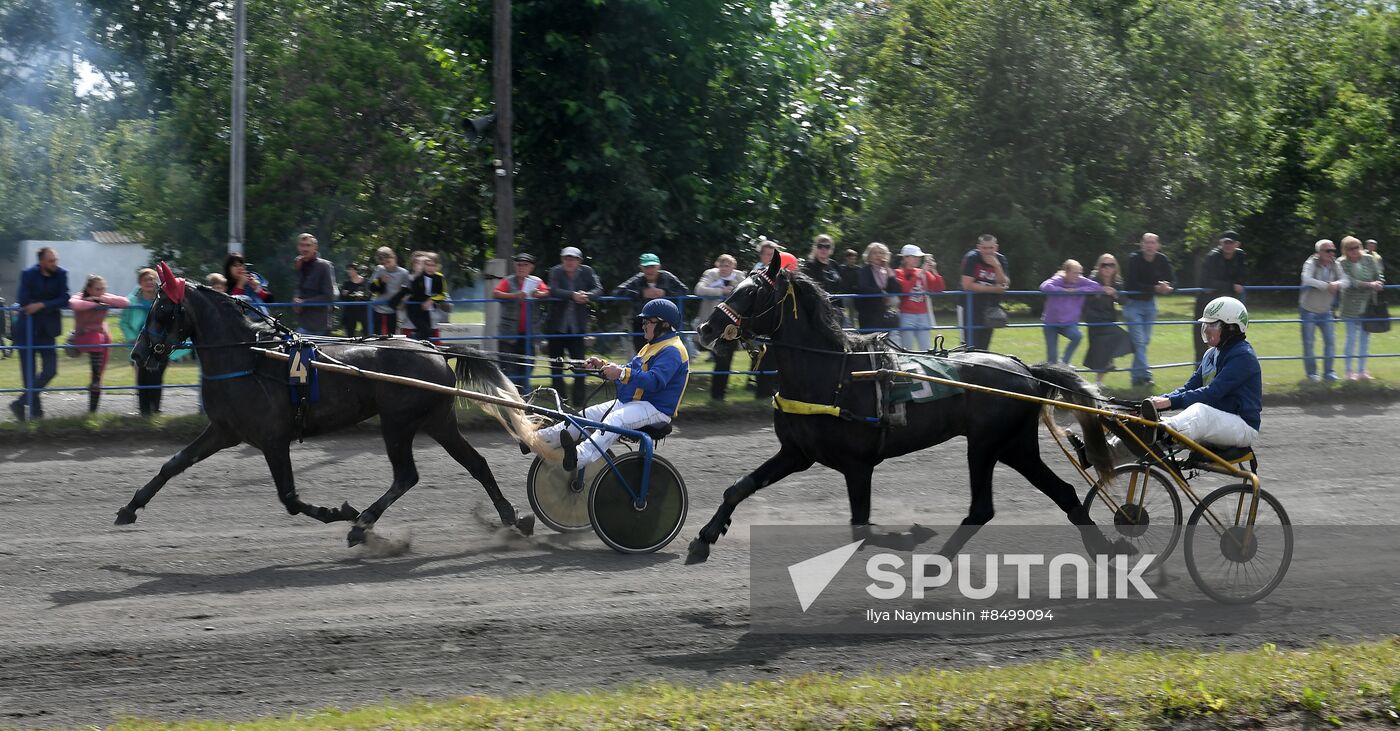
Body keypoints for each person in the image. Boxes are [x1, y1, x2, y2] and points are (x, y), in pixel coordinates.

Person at [537, 298, 690, 475]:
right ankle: (537, 440)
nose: (643, 325)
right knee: (584, 416)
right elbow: (629, 371)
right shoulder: (652, 346)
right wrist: (602, 365)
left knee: (614, 420)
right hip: (635, 403)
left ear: (664, 325)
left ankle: (578, 457)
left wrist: (620, 373)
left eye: (648, 322)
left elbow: (654, 381)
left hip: (656, 409)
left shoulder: (672, 350)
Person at [1140, 296, 1260, 450]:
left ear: (1231, 327)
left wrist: (1169, 403)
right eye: (1206, 324)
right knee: (1197, 414)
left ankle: (1161, 431)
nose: (1207, 329)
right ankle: (1114, 450)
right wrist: (1159, 400)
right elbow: (1188, 388)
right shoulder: (1210, 354)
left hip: (1242, 426)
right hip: (1218, 420)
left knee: (1200, 412)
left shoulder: (1243, 356)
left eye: (1213, 324)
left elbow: (1212, 392)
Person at [119, 267, 189, 416]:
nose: (150, 282)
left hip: (159, 344)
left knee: (156, 377)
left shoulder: (163, 299)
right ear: (140, 282)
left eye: (152, 279)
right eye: (146, 279)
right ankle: (144, 412)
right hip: (140, 344)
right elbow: (123, 323)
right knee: (142, 378)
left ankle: (155, 410)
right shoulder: (132, 301)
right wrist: (132, 337)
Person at [9, 247, 69, 421]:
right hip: (26, 329)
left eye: (56, 259)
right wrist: (49, 303)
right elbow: (24, 300)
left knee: (50, 370)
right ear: (41, 261)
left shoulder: (61, 274)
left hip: (48, 331)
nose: (55, 263)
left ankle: (20, 403)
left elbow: (65, 298)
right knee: (29, 374)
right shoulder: (28, 274)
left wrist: (41, 305)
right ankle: (36, 414)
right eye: (51, 261)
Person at [544, 246, 603, 408]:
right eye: (566, 258)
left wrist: (587, 296)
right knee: (556, 368)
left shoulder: (587, 271)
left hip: (577, 328)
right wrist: (572, 295)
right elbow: (553, 290)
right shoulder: (556, 271)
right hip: (556, 328)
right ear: (562, 260)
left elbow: (599, 289)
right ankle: (561, 403)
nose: (569, 261)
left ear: (579, 261)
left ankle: (578, 403)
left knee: (580, 368)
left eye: (573, 259)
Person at [68, 275, 129, 413]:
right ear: (89, 289)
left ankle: (92, 410)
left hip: (100, 339)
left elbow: (125, 302)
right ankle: (95, 380)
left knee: (99, 376)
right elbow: (74, 304)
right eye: (97, 289)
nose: (101, 291)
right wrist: (94, 303)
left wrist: (102, 299)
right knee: (97, 338)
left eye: (103, 288)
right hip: (82, 337)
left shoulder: (104, 296)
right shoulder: (80, 296)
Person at [1122, 232, 1175, 386]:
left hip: (1150, 304)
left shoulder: (1162, 259)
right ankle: (1146, 376)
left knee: (1144, 341)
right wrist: (1155, 288)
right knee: (1139, 341)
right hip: (1133, 305)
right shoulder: (1134, 259)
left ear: (1158, 245)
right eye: (1147, 242)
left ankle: (1135, 378)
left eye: (1153, 242)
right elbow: (1131, 284)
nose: (1150, 245)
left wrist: (1168, 287)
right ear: (1142, 244)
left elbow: (1173, 279)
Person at [493, 252, 550, 391]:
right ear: (515, 266)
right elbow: (495, 293)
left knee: (527, 365)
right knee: (508, 367)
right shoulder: (508, 280)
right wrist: (514, 295)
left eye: (525, 265)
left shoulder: (536, 281)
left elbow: (547, 292)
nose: (521, 267)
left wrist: (539, 294)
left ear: (531, 267)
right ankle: (512, 398)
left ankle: (524, 397)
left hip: (529, 333)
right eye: (519, 264)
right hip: (508, 333)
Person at [612, 252, 688, 353]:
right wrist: (641, 293)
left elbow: (684, 290)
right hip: (642, 323)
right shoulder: (637, 279)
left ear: (658, 266)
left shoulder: (667, 277)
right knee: (642, 354)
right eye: (646, 267)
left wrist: (665, 293)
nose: (649, 270)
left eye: (652, 266)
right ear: (641, 268)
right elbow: (617, 292)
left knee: (667, 352)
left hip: (665, 322)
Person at [1193, 231, 1248, 362]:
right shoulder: (1212, 257)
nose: (1228, 245)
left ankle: (1228, 366)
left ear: (1237, 244)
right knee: (1202, 337)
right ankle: (1200, 371)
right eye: (1225, 242)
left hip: (1228, 306)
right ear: (1220, 243)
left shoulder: (1241, 256)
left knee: (1231, 336)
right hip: (1207, 303)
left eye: (1231, 242)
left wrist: (1230, 287)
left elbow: (1242, 279)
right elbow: (1205, 282)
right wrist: (1231, 286)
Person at [694, 254, 741, 401]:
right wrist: (721, 291)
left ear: (733, 266)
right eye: (721, 265)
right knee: (720, 359)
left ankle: (719, 396)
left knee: (724, 361)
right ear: (717, 265)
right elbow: (699, 290)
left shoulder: (740, 276)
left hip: (731, 326)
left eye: (728, 265)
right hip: (712, 324)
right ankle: (716, 396)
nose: (724, 268)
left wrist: (732, 291)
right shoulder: (709, 274)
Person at [1038, 259, 1103, 364]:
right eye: (1075, 273)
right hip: (1051, 322)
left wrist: (1078, 290)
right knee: (1052, 359)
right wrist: (1063, 291)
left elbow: (1097, 287)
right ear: (1066, 272)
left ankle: (1065, 361)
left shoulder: (1080, 281)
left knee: (1077, 336)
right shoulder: (1058, 279)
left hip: (1068, 323)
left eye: (1080, 273)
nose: (1078, 275)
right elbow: (1044, 286)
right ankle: (1054, 375)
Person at [1337, 235, 1384, 380]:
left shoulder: (1369, 259)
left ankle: (1362, 370)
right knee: (1351, 338)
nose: (1355, 251)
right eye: (1350, 249)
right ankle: (1349, 371)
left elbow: (1379, 274)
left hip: (1368, 304)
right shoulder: (1341, 263)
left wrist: (1380, 282)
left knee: (1365, 338)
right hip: (1350, 305)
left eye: (1357, 247)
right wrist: (1370, 284)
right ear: (1345, 250)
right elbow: (1350, 281)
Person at [1299, 239, 1345, 382]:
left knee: (1330, 342)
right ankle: (1312, 374)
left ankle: (1328, 373)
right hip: (1308, 309)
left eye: (1333, 250)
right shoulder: (1310, 262)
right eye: (1327, 250)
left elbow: (1346, 280)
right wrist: (1326, 286)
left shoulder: (1335, 263)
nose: (1331, 253)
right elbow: (1306, 279)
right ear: (1319, 252)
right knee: (1309, 342)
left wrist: (1337, 283)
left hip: (1326, 310)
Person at [1081, 254, 1131, 384]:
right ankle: (1099, 379)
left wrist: (1115, 293)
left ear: (1115, 267)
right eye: (1104, 265)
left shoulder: (1117, 282)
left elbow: (1124, 301)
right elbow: (1084, 298)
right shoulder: (1092, 280)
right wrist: (1100, 291)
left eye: (1111, 265)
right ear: (1099, 266)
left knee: (1109, 346)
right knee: (1100, 349)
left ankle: (1100, 379)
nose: (1108, 268)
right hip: (1094, 319)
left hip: (1109, 318)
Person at [959, 234, 1010, 350]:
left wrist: (996, 266)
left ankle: (980, 368)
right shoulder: (972, 258)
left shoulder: (1000, 259)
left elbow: (1003, 284)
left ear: (996, 247)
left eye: (991, 248)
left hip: (989, 308)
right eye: (984, 248)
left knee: (983, 347)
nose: (988, 251)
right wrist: (994, 289)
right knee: (969, 345)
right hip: (969, 306)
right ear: (979, 247)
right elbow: (967, 285)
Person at [893, 244, 944, 350]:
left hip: (923, 315)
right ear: (905, 258)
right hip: (906, 314)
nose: (918, 259)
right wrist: (921, 272)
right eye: (914, 257)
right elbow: (905, 289)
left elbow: (939, 288)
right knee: (907, 348)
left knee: (926, 348)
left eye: (918, 257)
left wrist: (934, 270)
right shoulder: (898, 272)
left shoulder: (923, 272)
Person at [390, 252, 448, 342]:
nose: (429, 267)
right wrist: (402, 300)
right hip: (411, 317)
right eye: (417, 263)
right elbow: (406, 294)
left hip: (430, 318)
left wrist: (432, 300)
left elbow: (444, 297)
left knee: (428, 336)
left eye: (432, 265)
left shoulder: (438, 278)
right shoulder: (412, 278)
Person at [292, 233, 336, 335]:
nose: (305, 249)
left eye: (308, 245)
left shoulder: (324, 266)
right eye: (302, 245)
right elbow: (299, 288)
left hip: (318, 324)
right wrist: (296, 300)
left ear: (315, 247)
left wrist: (304, 302)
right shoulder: (299, 264)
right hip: (303, 322)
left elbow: (329, 296)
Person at [854, 242, 901, 333]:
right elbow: (863, 288)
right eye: (874, 253)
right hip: (868, 313)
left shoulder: (888, 271)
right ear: (869, 256)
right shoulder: (864, 271)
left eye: (881, 253)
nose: (878, 255)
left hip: (884, 313)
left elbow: (896, 289)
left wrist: (887, 269)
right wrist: (881, 293)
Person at [368, 246, 411, 335]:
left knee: (391, 336)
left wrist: (402, 300)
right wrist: (380, 281)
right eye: (383, 263)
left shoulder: (403, 273)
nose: (386, 265)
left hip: (392, 308)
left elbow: (409, 289)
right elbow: (371, 287)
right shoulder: (379, 269)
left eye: (388, 262)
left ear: (394, 257)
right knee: (376, 335)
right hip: (377, 307)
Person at [224, 253, 271, 319]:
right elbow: (232, 307)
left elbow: (270, 300)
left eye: (240, 265)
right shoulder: (224, 285)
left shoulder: (254, 277)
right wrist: (240, 285)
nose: (239, 268)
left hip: (264, 320)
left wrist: (258, 289)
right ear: (228, 269)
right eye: (235, 265)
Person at [340, 262, 372, 338]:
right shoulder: (346, 283)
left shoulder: (365, 282)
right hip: (350, 311)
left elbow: (369, 294)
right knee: (350, 332)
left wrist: (362, 295)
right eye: (348, 270)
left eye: (351, 269)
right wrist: (344, 294)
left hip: (363, 310)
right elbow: (342, 297)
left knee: (367, 331)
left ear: (356, 270)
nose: (349, 272)